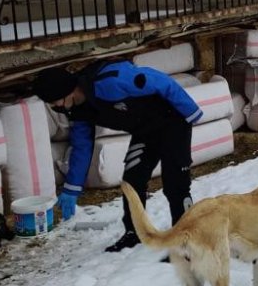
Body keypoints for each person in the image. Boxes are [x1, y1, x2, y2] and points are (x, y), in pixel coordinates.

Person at [31, 60, 203, 252]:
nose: (56, 107)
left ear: (68, 91)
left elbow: (160, 81)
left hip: (173, 124)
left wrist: (191, 112)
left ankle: (186, 241)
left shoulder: (111, 82)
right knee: (131, 182)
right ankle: (133, 233)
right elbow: (81, 147)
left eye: (55, 102)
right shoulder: (79, 111)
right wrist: (72, 188)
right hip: (145, 133)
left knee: (175, 184)